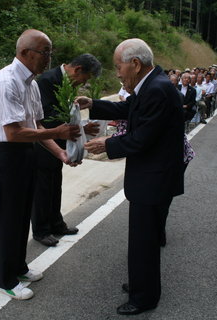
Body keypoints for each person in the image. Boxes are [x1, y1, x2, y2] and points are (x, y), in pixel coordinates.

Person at [76, 38, 184, 316]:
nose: (118, 73)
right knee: (142, 239)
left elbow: (142, 139)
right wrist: (94, 104)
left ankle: (144, 297)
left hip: (153, 179)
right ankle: (140, 283)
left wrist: (106, 145)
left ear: (135, 64)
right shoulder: (151, 85)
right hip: (150, 177)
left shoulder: (157, 89)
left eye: (118, 66)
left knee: (144, 242)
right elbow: (128, 110)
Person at [0, 29, 80, 300]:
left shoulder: (31, 84)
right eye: (44, 52)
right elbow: (13, 132)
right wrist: (57, 133)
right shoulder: (6, 82)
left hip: (26, 153)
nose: (48, 58)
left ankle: (19, 267)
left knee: (23, 214)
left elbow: (35, 126)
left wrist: (59, 152)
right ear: (25, 53)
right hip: (4, 157)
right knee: (7, 219)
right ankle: (4, 280)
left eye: (50, 52)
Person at [32, 54, 102, 247]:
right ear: (78, 70)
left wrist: (81, 127)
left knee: (55, 186)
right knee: (42, 189)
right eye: (85, 79)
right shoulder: (47, 80)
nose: (82, 83)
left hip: (60, 143)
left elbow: (67, 114)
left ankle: (56, 223)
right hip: (44, 143)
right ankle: (41, 230)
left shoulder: (67, 83)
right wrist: (79, 129)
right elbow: (45, 118)